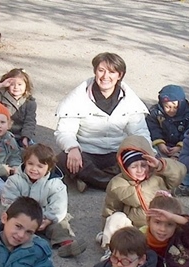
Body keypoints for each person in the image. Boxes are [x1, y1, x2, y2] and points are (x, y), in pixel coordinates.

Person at [54, 52, 152, 193]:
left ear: (120, 75)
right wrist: (73, 148)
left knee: (148, 162)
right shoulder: (77, 98)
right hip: (86, 152)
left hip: (117, 153)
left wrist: (149, 154)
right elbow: (65, 132)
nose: (105, 76)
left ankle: (89, 179)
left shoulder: (130, 100)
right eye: (101, 70)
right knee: (62, 159)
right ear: (95, 72)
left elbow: (139, 133)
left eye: (112, 72)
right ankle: (115, 183)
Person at [100, 135, 185, 257]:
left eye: (143, 165)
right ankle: (113, 249)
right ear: (124, 166)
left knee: (177, 219)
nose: (139, 170)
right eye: (134, 166)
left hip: (161, 224)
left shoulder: (159, 175)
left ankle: (178, 249)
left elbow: (180, 171)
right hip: (135, 228)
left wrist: (161, 165)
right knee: (116, 218)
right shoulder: (117, 183)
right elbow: (111, 208)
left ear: (150, 164)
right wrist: (106, 230)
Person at [0, 143, 86, 258]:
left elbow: (58, 207)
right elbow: (9, 202)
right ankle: (4, 243)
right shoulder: (15, 181)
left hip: (45, 217)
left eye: (40, 166)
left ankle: (66, 244)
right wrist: (22, 218)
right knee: (6, 224)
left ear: (49, 168)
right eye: (30, 164)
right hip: (22, 217)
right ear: (24, 162)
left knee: (61, 226)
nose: (34, 169)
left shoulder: (56, 184)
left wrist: (48, 219)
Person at [0, 68, 37, 147]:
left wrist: (26, 137)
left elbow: (30, 122)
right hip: (2, 134)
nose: (16, 87)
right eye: (12, 84)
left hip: (20, 136)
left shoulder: (30, 102)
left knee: (34, 150)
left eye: (20, 84)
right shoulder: (1, 96)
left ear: (26, 86)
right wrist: (0, 85)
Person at [146, 84, 189, 158]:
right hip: (161, 144)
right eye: (167, 107)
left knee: (186, 155)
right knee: (152, 154)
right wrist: (159, 142)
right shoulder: (156, 113)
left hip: (182, 145)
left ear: (181, 104)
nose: (171, 110)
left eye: (175, 107)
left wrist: (180, 146)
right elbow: (153, 128)